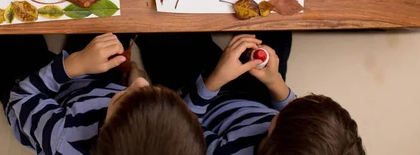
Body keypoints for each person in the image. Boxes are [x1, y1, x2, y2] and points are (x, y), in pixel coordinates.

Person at [0, 33, 206, 155]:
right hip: (96, 83)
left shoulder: (62, 138)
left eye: (129, 94)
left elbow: (22, 95)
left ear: (105, 127)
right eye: (151, 89)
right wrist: (132, 82)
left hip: (34, 93)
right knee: (107, 7)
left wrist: (72, 66)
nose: (143, 81)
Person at [137, 32, 365, 155]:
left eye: (286, 113)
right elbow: (291, 110)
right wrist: (275, 81)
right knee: (276, 21)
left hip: (197, 100)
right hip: (256, 95)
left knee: (167, 35)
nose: (290, 105)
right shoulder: (296, 134)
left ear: (273, 135)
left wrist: (215, 79)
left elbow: (179, 125)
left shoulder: (228, 151)